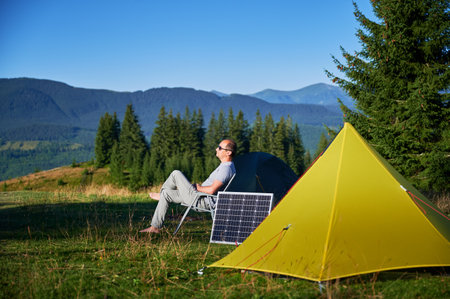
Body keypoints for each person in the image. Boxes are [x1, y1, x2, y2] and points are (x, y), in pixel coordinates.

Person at [140, 139, 236, 233]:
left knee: (176, 173)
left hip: (201, 200)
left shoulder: (226, 169)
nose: (216, 149)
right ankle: (155, 228)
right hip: (199, 196)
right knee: (166, 193)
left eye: (219, 148)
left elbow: (212, 190)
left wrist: (198, 187)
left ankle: (161, 196)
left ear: (228, 153)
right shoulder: (225, 167)